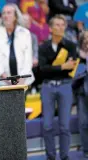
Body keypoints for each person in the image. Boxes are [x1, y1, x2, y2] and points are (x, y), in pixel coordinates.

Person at [38, 14, 77, 160]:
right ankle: (51, 156)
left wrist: (54, 68)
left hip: (65, 86)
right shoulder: (43, 47)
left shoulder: (71, 45)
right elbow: (42, 69)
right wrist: (62, 66)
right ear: (50, 28)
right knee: (47, 125)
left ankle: (65, 156)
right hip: (47, 87)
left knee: (64, 126)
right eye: (57, 25)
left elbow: (71, 68)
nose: (61, 27)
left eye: (63, 25)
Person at [0, 3, 34, 86]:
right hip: (2, 81)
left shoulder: (25, 33)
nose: (6, 15)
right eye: (4, 13)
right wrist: (4, 76)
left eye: (9, 13)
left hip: (24, 80)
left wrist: (22, 78)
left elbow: (28, 58)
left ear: (15, 16)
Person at [76, 30, 88, 158]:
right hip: (82, 94)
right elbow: (72, 77)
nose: (87, 43)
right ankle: (86, 150)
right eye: (85, 40)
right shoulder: (78, 57)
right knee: (84, 123)